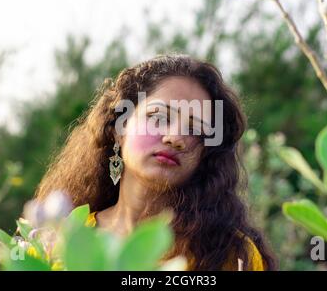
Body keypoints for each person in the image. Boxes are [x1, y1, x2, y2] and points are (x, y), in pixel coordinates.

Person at [34, 54, 277, 270]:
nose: (175, 138)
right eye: (158, 117)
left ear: (205, 154)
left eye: (195, 130)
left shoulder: (232, 257)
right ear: (120, 128)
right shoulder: (58, 240)